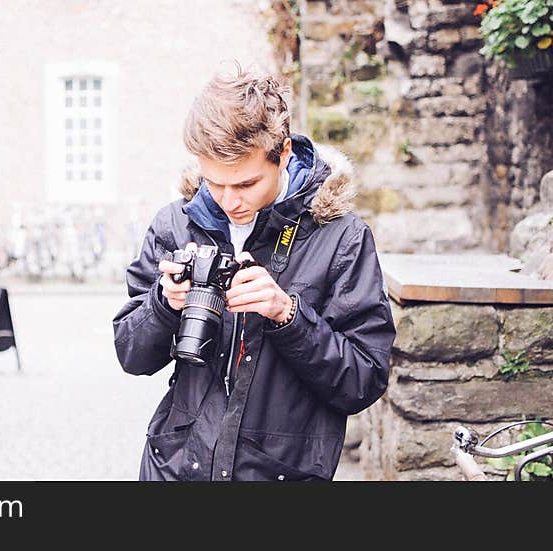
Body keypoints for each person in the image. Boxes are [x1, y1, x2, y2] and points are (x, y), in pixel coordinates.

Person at [112, 66, 396, 481]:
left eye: (245, 184)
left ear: (282, 154)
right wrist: (163, 304)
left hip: (282, 473)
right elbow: (130, 355)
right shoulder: (175, 225)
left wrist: (288, 315)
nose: (229, 201)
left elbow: (364, 380)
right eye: (214, 183)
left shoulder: (342, 238)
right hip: (175, 468)